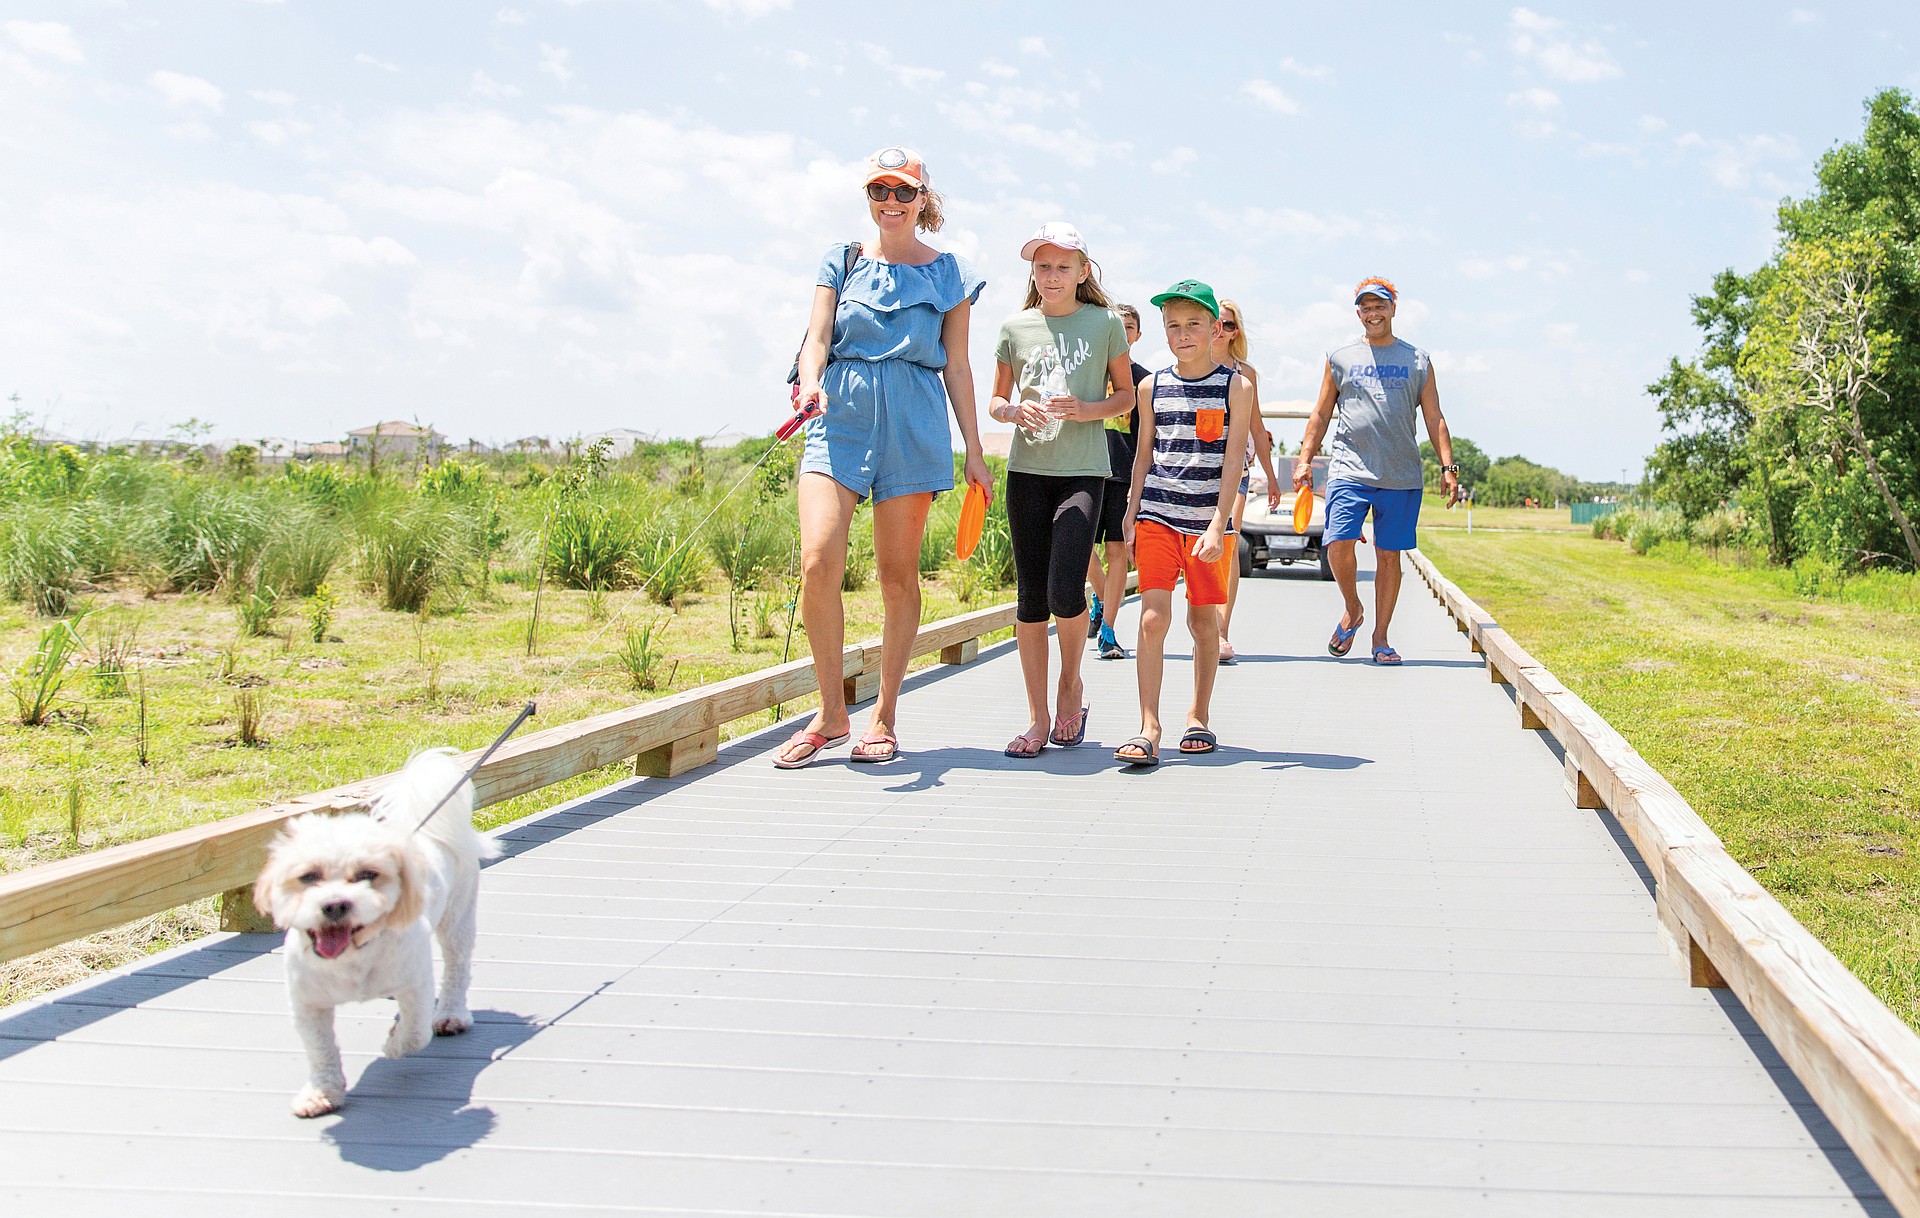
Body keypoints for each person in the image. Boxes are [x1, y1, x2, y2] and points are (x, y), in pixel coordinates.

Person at [776, 147, 991, 768]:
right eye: (880, 192)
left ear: (924, 199)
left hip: (913, 421)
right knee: (818, 558)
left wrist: (975, 451)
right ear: (868, 198)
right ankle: (831, 711)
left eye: (903, 192)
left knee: (897, 576)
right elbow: (816, 338)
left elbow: (958, 365)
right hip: (837, 414)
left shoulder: (951, 273)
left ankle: (884, 713)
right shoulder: (839, 262)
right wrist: (812, 380)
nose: (891, 203)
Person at [988, 222, 1135, 758]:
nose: (1051, 276)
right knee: (1030, 597)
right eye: (1042, 266)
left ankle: (1070, 685)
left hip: (1082, 471)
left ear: (1082, 272)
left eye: (1062, 266)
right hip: (1027, 472)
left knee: (1064, 587)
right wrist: (1010, 410)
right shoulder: (1014, 327)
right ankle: (1036, 717)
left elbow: (1126, 398)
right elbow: (996, 400)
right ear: (1033, 271)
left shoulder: (1104, 325)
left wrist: (1088, 409)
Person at [1115, 280, 1252, 767]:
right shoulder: (1151, 386)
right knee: (1153, 617)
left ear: (1216, 328)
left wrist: (1219, 524)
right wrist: (1131, 514)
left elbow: (1234, 461)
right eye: (1173, 325)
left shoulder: (1236, 386)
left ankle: (1199, 715)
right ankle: (1149, 726)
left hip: (1206, 524)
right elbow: (1142, 457)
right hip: (1157, 514)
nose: (1183, 333)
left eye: (1194, 324)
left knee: (1202, 622)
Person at [1292, 276, 1459, 666]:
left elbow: (1435, 419)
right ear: (1358, 312)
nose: (1373, 312)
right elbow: (1320, 413)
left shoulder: (1417, 360)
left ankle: (1380, 638)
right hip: (1350, 467)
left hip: (1400, 475)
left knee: (1389, 556)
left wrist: (1448, 467)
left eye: (1380, 305)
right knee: (1337, 543)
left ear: (1393, 309)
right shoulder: (1340, 356)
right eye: (1366, 307)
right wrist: (1304, 459)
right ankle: (1353, 607)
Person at [1209, 298, 1280, 664]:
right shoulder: (1192, 364)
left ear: (1236, 332)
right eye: (1217, 322)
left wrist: (1271, 475)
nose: (1223, 329)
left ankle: (1221, 632)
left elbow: (1256, 425)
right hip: (1193, 469)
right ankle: (1203, 626)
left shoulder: (1243, 373)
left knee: (1228, 538)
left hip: (1234, 467)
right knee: (1200, 545)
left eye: (1231, 324)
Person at [1085, 302, 1151, 661]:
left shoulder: (1144, 379)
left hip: (1123, 474)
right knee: (1081, 549)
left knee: (1115, 551)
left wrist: (1141, 482)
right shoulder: (1091, 370)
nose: (1123, 332)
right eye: (1117, 325)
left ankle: (1108, 630)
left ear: (1137, 335)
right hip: (1086, 468)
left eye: (1129, 327)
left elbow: (1148, 436)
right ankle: (1099, 598)